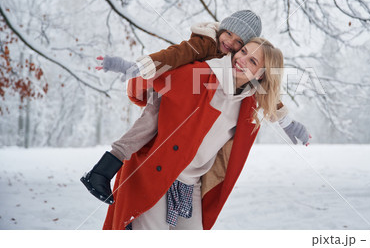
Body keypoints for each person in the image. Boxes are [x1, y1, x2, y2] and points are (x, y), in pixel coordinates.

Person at [81, 11, 310, 207]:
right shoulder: (206, 42)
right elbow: (174, 54)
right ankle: (102, 170)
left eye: (239, 42)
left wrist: (288, 124)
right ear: (222, 28)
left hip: (188, 102)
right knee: (149, 124)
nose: (230, 42)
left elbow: (265, 92)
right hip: (170, 90)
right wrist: (137, 66)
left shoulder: (239, 65)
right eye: (228, 33)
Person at [103, 38, 285, 229]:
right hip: (156, 171)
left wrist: (289, 123)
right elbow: (156, 78)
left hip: (191, 184)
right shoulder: (202, 74)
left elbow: (272, 101)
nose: (241, 59)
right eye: (243, 51)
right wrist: (131, 68)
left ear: (261, 75)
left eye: (253, 61)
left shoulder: (248, 106)